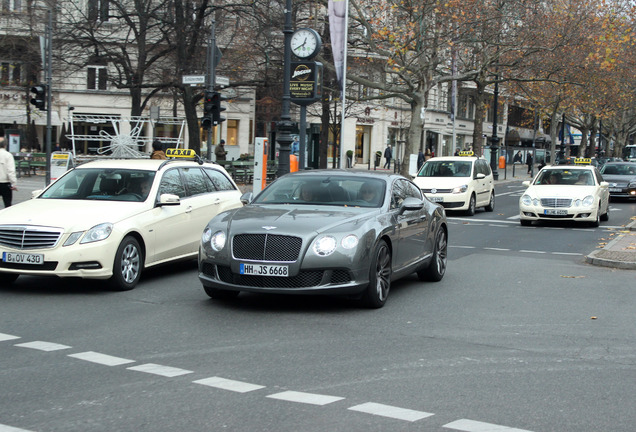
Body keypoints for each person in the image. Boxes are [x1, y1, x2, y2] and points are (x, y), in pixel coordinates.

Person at [0, 137, 18, 208]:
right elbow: (11, 171)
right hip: (5, 183)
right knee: (7, 204)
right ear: (5, 145)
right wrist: (13, 183)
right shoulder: (8, 155)